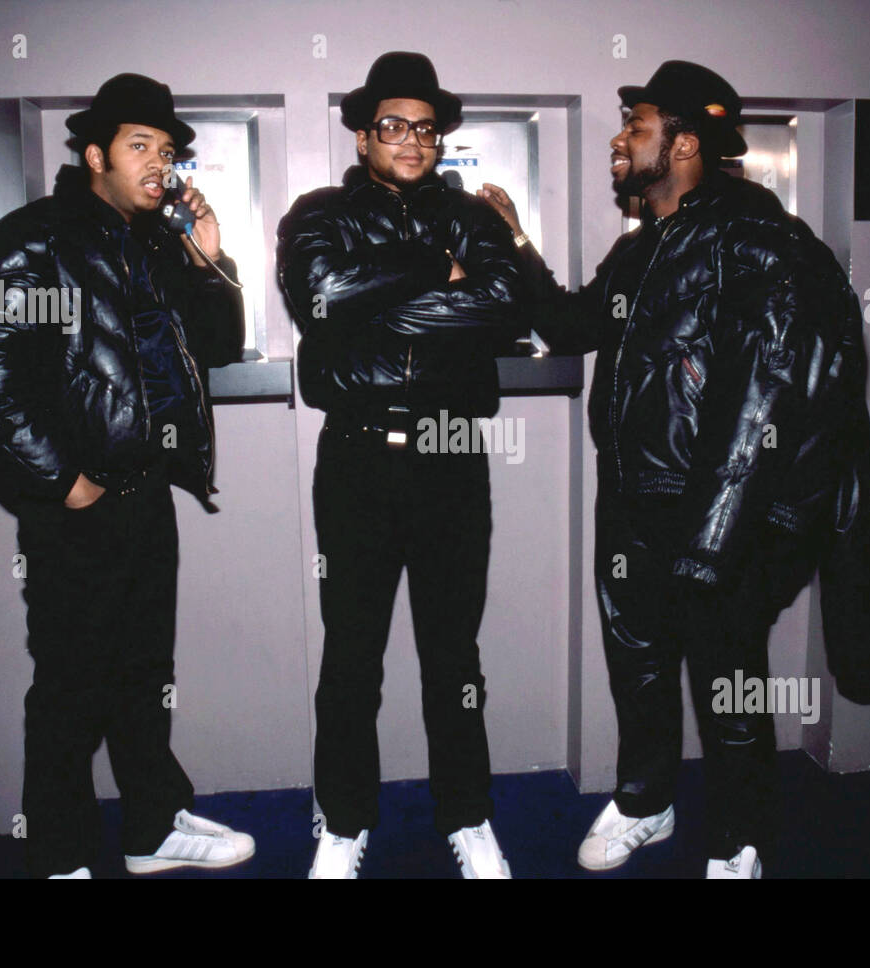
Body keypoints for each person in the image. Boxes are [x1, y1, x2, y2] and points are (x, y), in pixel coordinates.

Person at [480, 61, 870, 878]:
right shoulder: (642, 249)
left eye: (635, 126)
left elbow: (770, 393)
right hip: (634, 501)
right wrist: (515, 239)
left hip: (720, 510)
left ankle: (740, 844)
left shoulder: (757, 238)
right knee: (637, 665)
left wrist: (712, 542)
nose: (618, 138)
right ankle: (646, 802)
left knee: (728, 687)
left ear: (685, 144)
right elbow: (571, 324)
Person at [0, 73, 253, 879]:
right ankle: (60, 858)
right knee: (71, 688)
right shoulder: (32, 243)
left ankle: (151, 831)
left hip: (147, 495)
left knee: (145, 676)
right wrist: (62, 482)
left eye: (167, 150)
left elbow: (219, 345)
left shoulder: (151, 243)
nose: (158, 163)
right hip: (76, 507)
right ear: (95, 155)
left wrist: (209, 255)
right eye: (139, 145)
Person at [276, 51, 522, 878]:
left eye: (426, 127)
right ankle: (343, 822)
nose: (412, 140)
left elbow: (502, 305)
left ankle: (469, 817)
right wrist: (430, 270)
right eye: (393, 126)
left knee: (454, 656)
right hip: (358, 459)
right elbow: (321, 297)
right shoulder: (319, 214)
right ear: (362, 136)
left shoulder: (474, 218)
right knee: (352, 654)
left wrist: (376, 303)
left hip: (453, 457)